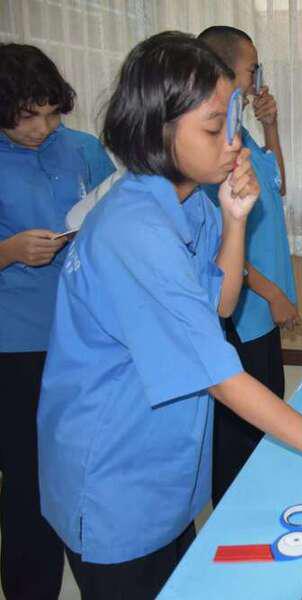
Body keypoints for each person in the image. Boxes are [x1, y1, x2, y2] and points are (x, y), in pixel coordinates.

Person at [36, 31, 302, 600]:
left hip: (162, 459)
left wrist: (235, 219)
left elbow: (221, 305)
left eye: (232, 121)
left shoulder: (192, 201)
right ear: (158, 128)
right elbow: (218, 372)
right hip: (113, 469)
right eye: (214, 128)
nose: (233, 142)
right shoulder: (132, 228)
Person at [0, 43, 115, 600]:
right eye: (27, 117)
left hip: (85, 336)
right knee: (27, 478)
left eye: (51, 114)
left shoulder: (84, 150)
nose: (42, 128)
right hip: (15, 343)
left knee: (86, 466)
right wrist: (8, 251)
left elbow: (119, 215)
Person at [197, 25, 301, 506]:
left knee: (268, 409)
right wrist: (272, 292)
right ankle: (235, 515)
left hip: (262, 304)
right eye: (251, 69)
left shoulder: (241, 137)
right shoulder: (207, 149)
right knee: (240, 429)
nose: (258, 79)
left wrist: (272, 127)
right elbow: (215, 243)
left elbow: (278, 185)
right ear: (223, 72)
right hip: (242, 306)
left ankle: (262, 504)